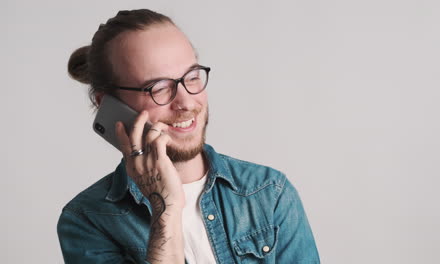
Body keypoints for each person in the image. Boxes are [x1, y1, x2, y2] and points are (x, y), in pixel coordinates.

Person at [57, 9, 320, 264]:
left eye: (192, 77)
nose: (186, 102)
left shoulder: (269, 193)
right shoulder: (87, 220)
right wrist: (166, 211)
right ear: (110, 105)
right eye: (158, 87)